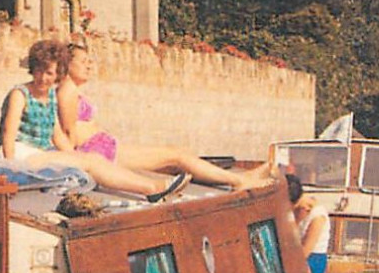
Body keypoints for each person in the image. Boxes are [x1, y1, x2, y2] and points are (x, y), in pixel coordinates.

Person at [55, 42, 274, 191]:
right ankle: (239, 181)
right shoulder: (67, 91)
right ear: (67, 63)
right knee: (176, 155)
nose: (89, 65)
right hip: (100, 152)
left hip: (103, 147)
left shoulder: (71, 89)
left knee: (175, 164)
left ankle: (243, 178)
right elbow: (69, 136)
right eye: (83, 61)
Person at [0, 39, 189, 201]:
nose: (42, 77)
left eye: (49, 73)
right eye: (39, 70)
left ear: (57, 75)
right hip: (20, 157)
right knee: (90, 162)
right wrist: (12, 171)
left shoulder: (49, 97)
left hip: (39, 153)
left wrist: (75, 156)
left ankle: (151, 188)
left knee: (92, 159)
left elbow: (57, 136)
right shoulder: (20, 94)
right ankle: (153, 188)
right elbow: (8, 136)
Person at [286, 173, 330, 273]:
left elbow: (306, 251)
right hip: (295, 255)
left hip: (313, 260)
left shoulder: (318, 216)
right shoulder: (297, 209)